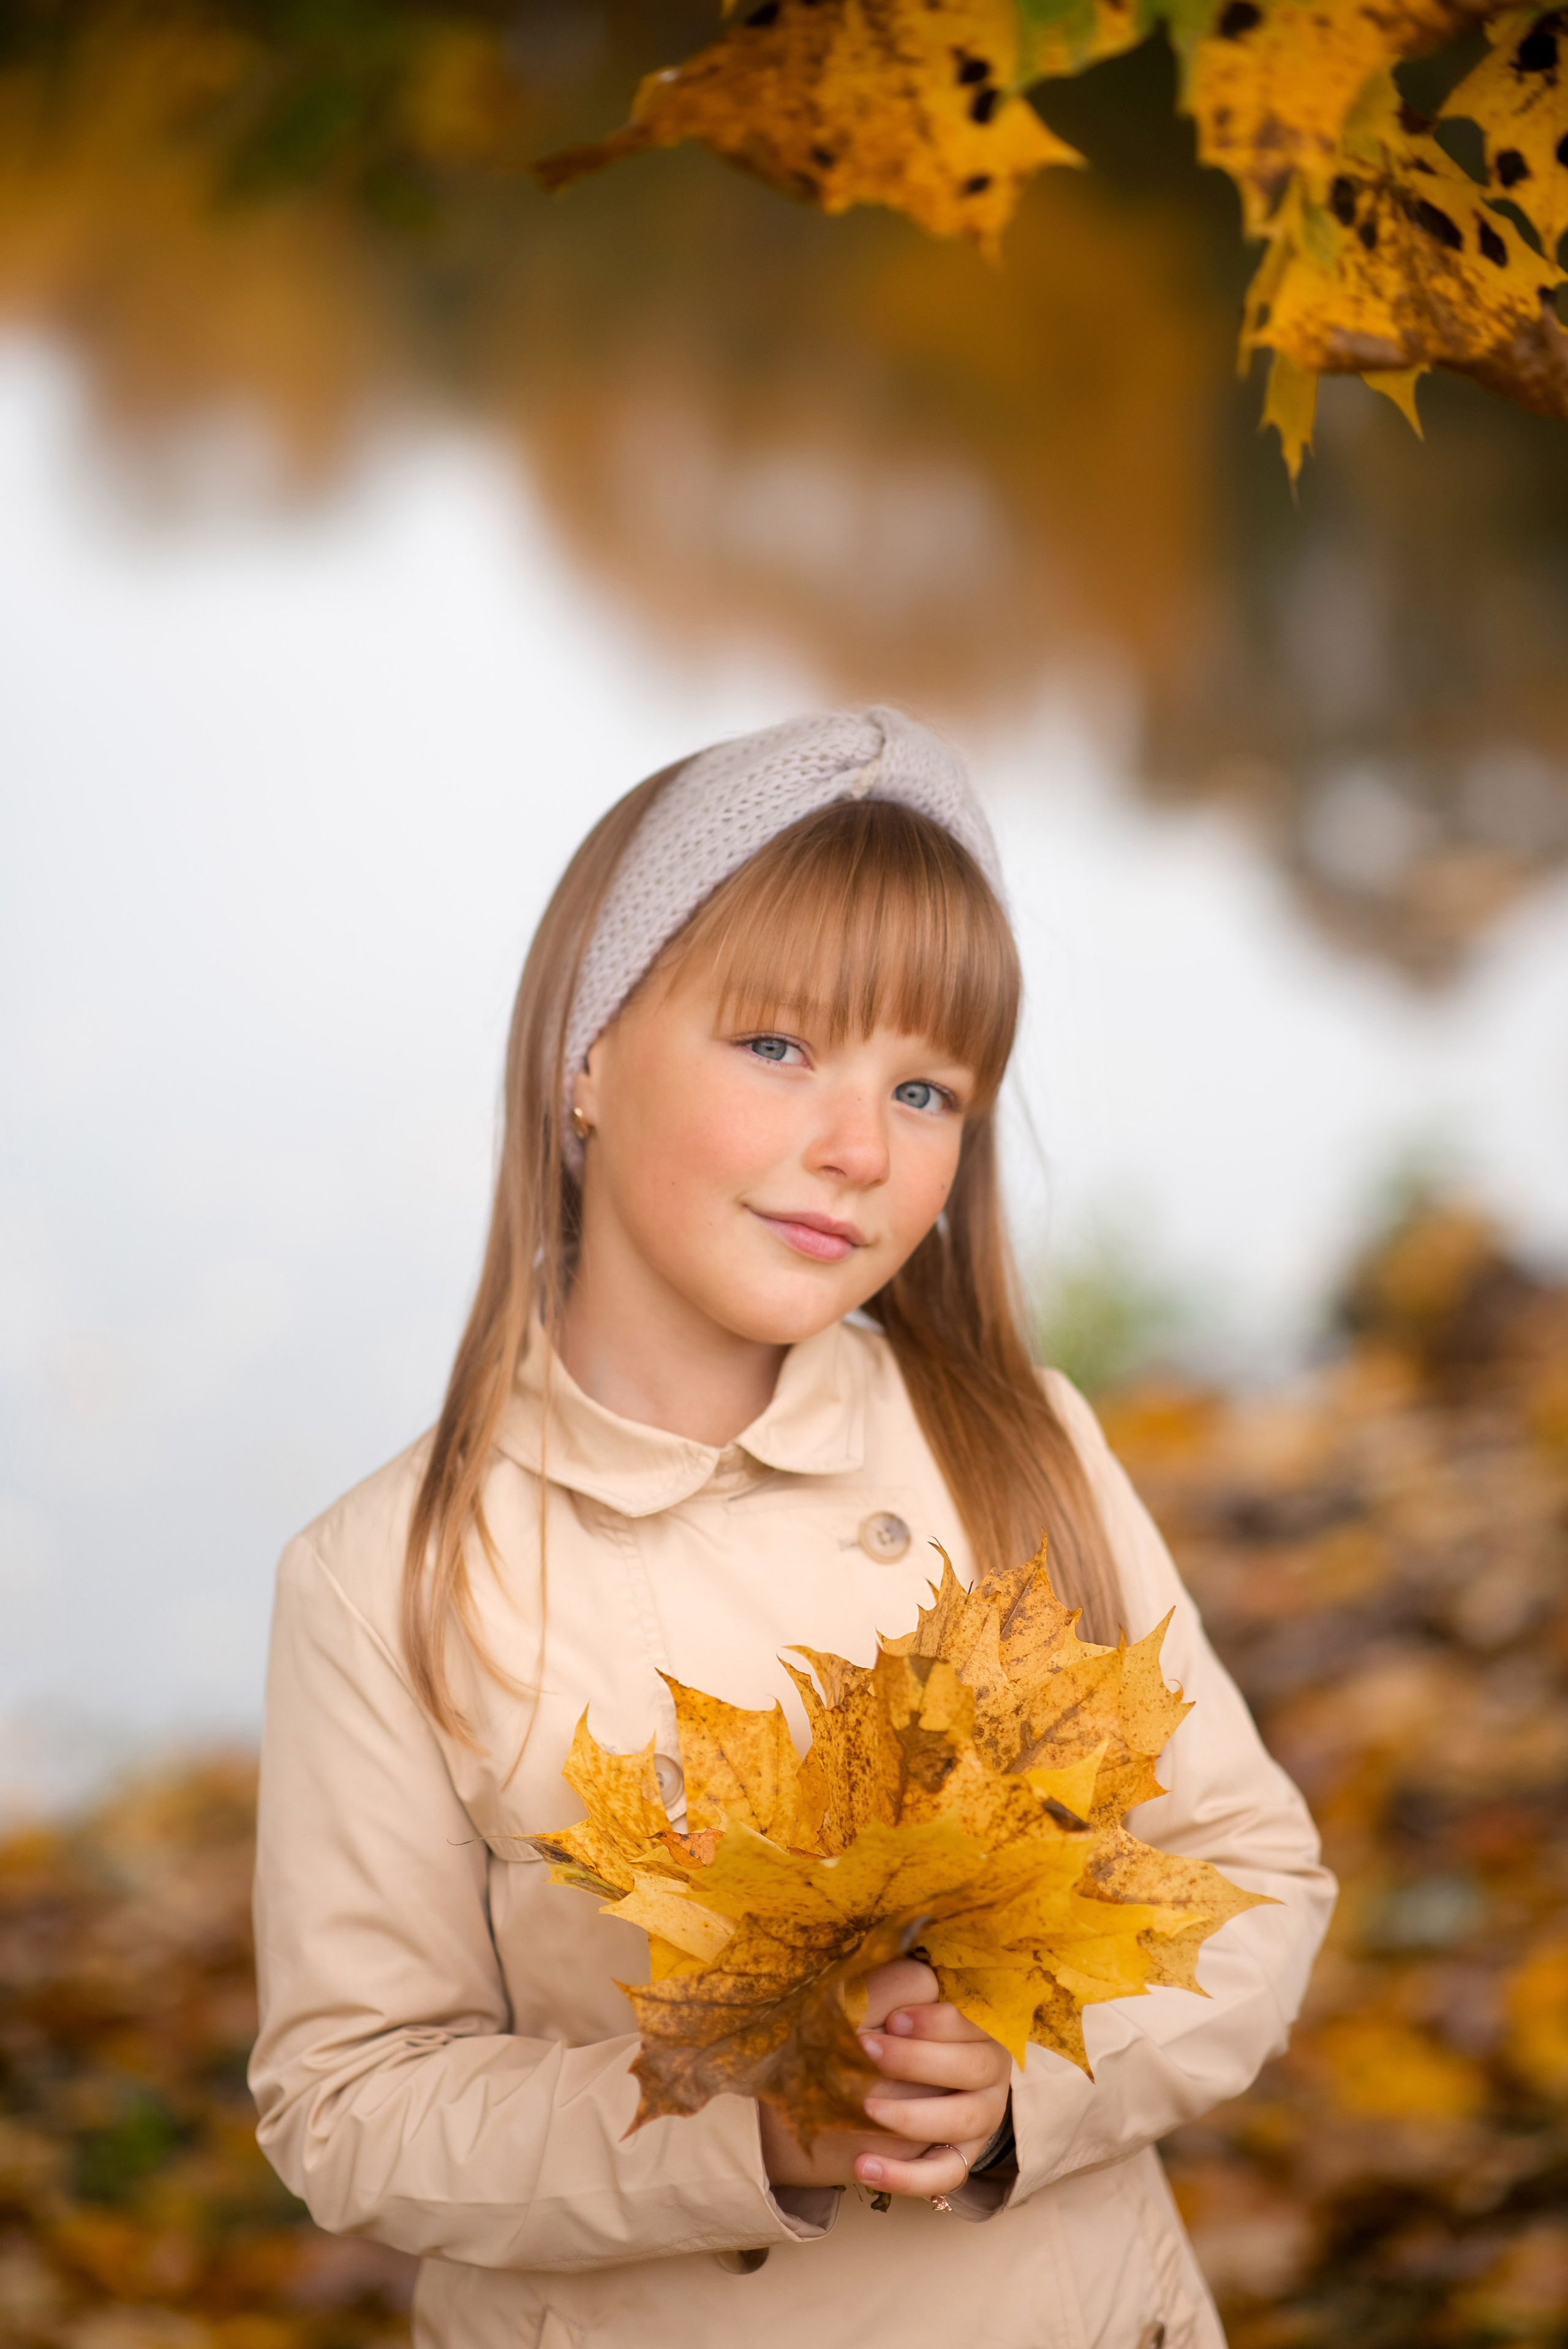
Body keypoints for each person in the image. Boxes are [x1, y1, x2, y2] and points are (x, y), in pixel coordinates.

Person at [249, 707, 1335, 2349]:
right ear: (587, 1057)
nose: (857, 1148)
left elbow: (1248, 1874)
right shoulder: (393, 1576)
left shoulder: (1012, 1446)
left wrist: (1027, 2069)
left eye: (924, 1086)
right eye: (776, 1047)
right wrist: (741, 2123)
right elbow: (350, 2099)